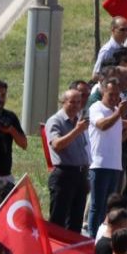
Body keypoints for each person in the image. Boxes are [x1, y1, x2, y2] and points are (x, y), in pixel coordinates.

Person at [87, 77, 127, 238]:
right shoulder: (97, 108)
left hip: (114, 165)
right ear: (102, 91)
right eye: (111, 94)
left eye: (117, 95)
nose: (115, 98)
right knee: (98, 204)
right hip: (99, 164)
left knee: (111, 206)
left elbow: (117, 139)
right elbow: (102, 125)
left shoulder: (114, 113)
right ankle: (92, 236)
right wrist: (119, 114)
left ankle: (106, 235)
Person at [46, 90, 91, 232]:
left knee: (75, 221)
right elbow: (57, 145)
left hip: (80, 174)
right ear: (63, 102)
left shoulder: (78, 121)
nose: (76, 106)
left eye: (78, 102)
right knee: (58, 220)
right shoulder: (55, 121)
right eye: (72, 102)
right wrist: (76, 131)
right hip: (64, 175)